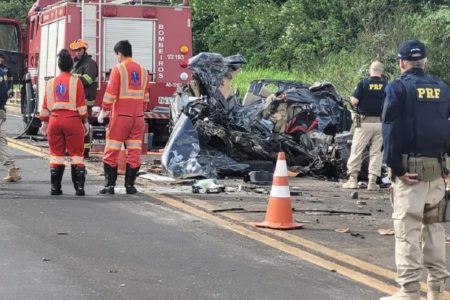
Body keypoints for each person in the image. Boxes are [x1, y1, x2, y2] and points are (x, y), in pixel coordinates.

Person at [381, 40, 450, 300]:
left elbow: (390, 129)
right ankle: (436, 290)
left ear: (401, 63)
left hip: (410, 175)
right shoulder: (443, 89)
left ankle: (409, 292)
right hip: (438, 173)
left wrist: (396, 167)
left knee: (407, 230)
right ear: (425, 62)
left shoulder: (398, 88)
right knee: (434, 229)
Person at [97, 40, 149, 195]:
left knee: (112, 150)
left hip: (121, 117)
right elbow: (146, 97)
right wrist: (140, 110)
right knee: (134, 152)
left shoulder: (118, 69)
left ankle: (109, 185)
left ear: (119, 54)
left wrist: (104, 110)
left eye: (116, 56)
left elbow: (111, 93)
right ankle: (130, 186)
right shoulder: (144, 71)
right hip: (138, 117)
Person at [39, 49, 89, 196]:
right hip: (73, 121)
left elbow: (44, 106)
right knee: (76, 155)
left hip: (54, 121)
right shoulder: (76, 82)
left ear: (59, 65)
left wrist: (44, 123)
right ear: (71, 66)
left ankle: (55, 188)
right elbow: (81, 105)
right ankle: (79, 188)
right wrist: (85, 121)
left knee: (56, 155)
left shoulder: (50, 83)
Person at [342, 60, 387, 190]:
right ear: (381, 72)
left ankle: (352, 180)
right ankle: (372, 182)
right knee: (376, 153)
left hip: (364, 123)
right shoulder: (386, 85)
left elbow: (354, 101)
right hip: (380, 123)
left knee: (357, 150)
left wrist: (352, 100)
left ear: (369, 71)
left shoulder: (363, 83)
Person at [69, 39, 98, 159]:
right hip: (76, 101)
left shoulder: (90, 63)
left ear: (84, 49)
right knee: (75, 126)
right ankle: (75, 149)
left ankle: (85, 151)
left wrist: (72, 77)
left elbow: (88, 79)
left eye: (79, 50)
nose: (77, 52)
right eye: (75, 50)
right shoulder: (76, 63)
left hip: (86, 101)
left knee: (83, 126)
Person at [0, 53, 21, 182]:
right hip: (1, 109)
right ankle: (12, 169)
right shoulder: (3, 72)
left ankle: (12, 168)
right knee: (1, 140)